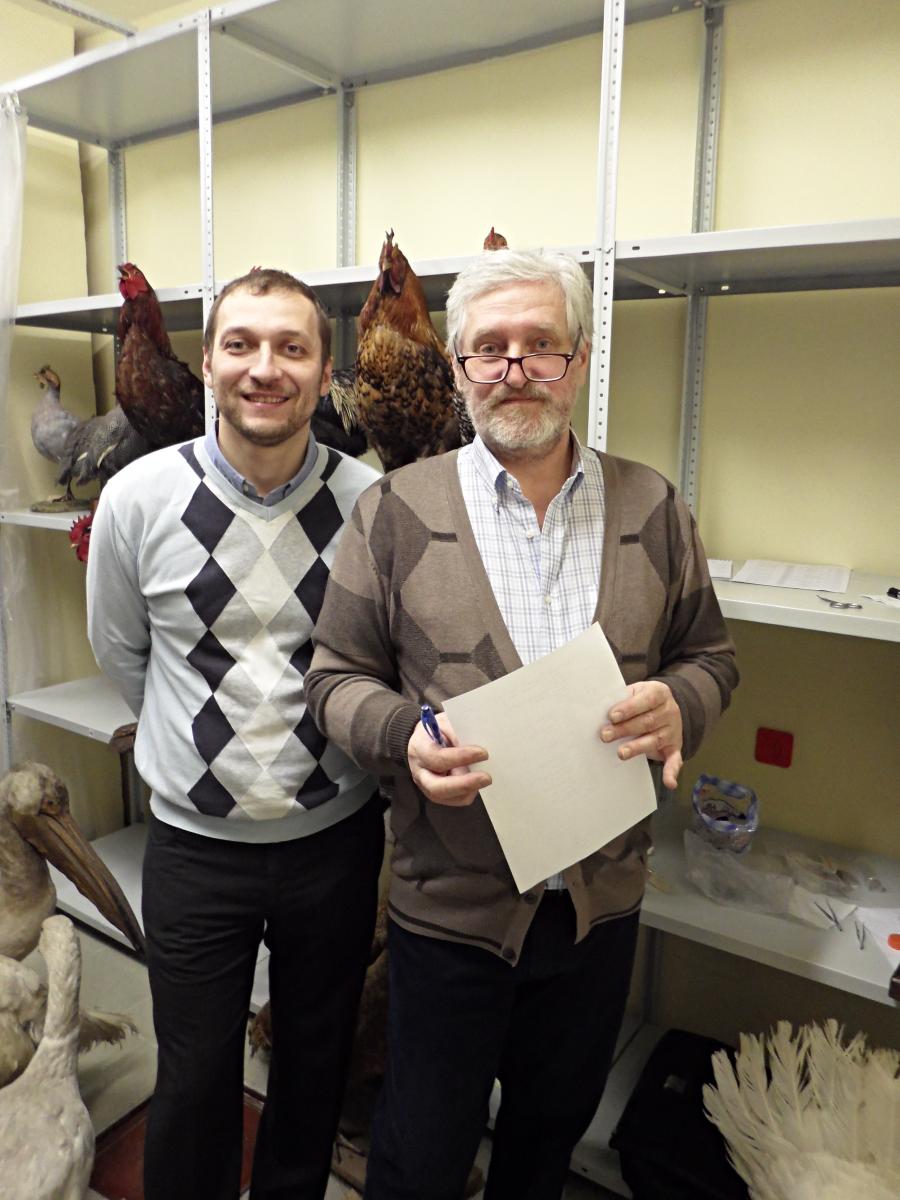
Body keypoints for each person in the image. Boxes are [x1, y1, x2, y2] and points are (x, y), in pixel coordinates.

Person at [304, 248, 739, 1200]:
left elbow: (711, 657)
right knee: (419, 1158)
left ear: (578, 361)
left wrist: (682, 704)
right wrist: (402, 736)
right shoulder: (392, 511)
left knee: (544, 1152)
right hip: (449, 915)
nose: (514, 369)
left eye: (540, 344)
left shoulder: (655, 507)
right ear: (458, 369)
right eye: (489, 349)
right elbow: (333, 678)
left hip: (597, 916)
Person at [86, 268, 385, 1200]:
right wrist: (200, 751)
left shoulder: (373, 503)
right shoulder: (138, 498)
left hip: (334, 844)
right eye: (242, 345)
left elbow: (378, 660)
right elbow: (122, 650)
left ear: (324, 372)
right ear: (209, 362)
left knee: (313, 1068)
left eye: (292, 348)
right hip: (195, 851)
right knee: (194, 1080)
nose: (266, 368)